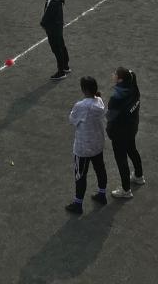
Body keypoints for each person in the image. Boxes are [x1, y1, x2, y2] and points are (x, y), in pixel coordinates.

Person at [66, 75, 107, 214]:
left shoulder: (81, 106)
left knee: (80, 175)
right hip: (97, 143)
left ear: (84, 90)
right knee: (100, 169)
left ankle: (78, 204)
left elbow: (72, 120)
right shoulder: (99, 101)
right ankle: (102, 194)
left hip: (83, 147)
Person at [107, 67, 145, 198]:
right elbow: (132, 75)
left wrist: (109, 130)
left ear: (120, 80)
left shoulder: (116, 98)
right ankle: (139, 176)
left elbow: (110, 117)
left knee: (121, 160)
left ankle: (126, 190)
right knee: (132, 150)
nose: (113, 74)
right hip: (131, 128)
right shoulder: (134, 89)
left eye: (115, 74)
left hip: (119, 133)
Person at [41, 0, 69, 81]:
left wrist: (43, 24)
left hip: (53, 29)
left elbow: (46, 16)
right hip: (58, 27)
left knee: (57, 50)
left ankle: (61, 72)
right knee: (62, 47)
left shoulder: (51, 1)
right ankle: (65, 66)